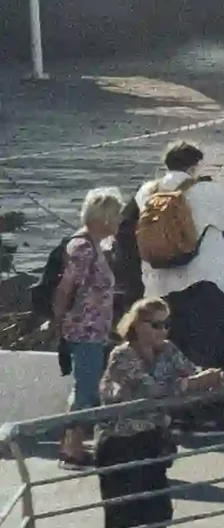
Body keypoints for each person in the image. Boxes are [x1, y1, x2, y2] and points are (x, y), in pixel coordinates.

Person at [89, 298, 224, 528]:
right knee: (122, 515)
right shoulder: (122, 355)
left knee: (159, 511)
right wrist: (193, 383)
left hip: (151, 441)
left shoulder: (168, 351)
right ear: (137, 325)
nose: (162, 331)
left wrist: (210, 378)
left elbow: (191, 373)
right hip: (119, 443)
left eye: (166, 324)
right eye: (155, 324)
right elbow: (149, 390)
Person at [127, 141, 224, 378]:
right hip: (203, 283)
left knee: (166, 349)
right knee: (202, 352)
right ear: (195, 166)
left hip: (157, 284)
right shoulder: (207, 191)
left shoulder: (147, 192)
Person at [53, 187, 124, 465]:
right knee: (85, 389)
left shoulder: (95, 246)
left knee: (86, 387)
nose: (119, 220)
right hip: (84, 331)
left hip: (93, 329)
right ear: (103, 217)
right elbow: (66, 288)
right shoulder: (83, 248)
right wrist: (60, 322)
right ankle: (72, 449)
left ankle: (73, 444)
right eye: (116, 214)